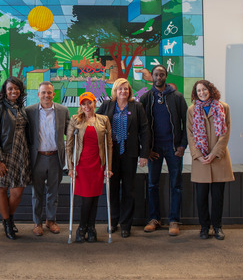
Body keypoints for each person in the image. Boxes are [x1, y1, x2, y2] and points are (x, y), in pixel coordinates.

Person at [97, 78, 150, 238]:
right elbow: (95, 124)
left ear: (129, 91)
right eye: (120, 89)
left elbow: (145, 131)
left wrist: (144, 154)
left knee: (129, 190)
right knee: (112, 189)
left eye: (126, 89)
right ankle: (113, 222)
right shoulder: (107, 105)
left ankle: (126, 224)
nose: (123, 92)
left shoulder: (137, 106)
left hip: (130, 153)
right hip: (111, 154)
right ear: (115, 91)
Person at [140, 65, 188, 236]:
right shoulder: (146, 98)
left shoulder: (177, 97)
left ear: (166, 76)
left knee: (176, 185)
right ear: (151, 76)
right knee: (152, 185)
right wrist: (146, 150)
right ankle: (154, 219)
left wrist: (182, 145)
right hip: (154, 149)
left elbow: (186, 123)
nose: (158, 77)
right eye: (156, 74)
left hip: (173, 148)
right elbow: (141, 127)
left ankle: (174, 220)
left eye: (161, 74)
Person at [0, 76, 31, 240]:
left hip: (20, 153)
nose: (14, 91)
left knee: (17, 191)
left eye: (16, 88)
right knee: (2, 188)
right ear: (5, 91)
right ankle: (7, 222)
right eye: (10, 88)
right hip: (3, 153)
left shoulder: (21, 108)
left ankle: (8, 218)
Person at [187, 80, 234, 240]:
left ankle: (218, 227)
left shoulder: (223, 107)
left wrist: (214, 153)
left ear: (210, 90)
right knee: (201, 198)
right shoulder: (192, 110)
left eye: (204, 90)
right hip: (201, 161)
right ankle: (204, 227)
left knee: (218, 197)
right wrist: (199, 155)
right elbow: (190, 135)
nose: (202, 93)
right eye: (198, 91)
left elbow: (225, 133)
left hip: (219, 159)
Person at [66, 92, 112, 243]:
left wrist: (108, 167)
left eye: (89, 103)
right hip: (82, 165)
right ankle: (82, 227)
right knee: (86, 199)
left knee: (94, 197)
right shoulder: (75, 120)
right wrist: (71, 167)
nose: (87, 106)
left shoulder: (103, 120)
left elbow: (109, 145)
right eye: (83, 104)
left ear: (94, 103)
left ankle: (91, 228)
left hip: (98, 164)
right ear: (80, 106)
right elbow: (69, 145)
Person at [26, 81, 70, 236]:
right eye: (43, 92)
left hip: (55, 157)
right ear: (38, 95)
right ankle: (37, 222)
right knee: (36, 193)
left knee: (53, 192)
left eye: (49, 92)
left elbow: (69, 133)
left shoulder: (62, 111)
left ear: (53, 94)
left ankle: (51, 220)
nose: (46, 95)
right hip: (37, 158)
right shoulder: (29, 111)